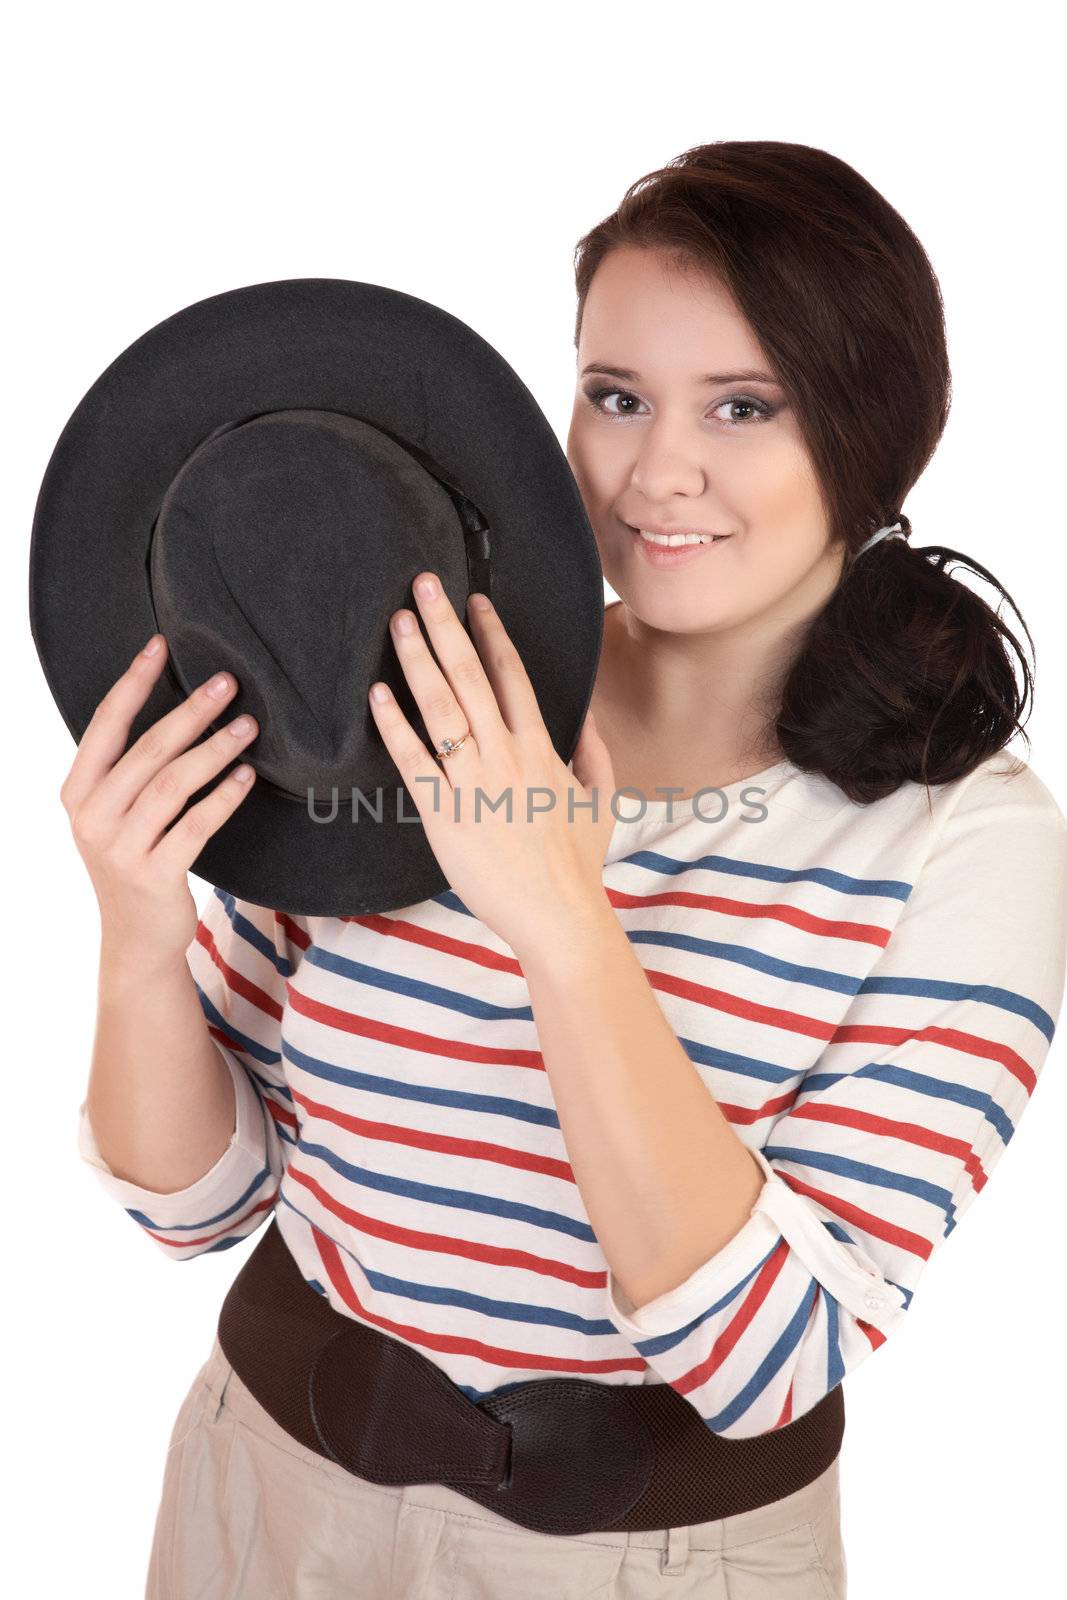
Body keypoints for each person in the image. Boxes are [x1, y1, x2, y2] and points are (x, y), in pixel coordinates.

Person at [69, 142, 1066, 1600]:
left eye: (744, 406)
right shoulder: (439, 686)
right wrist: (138, 935)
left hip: (652, 1560)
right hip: (259, 1490)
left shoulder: (971, 844)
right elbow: (194, 1209)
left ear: (872, 430)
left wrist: (563, 925)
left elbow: (761, 1357)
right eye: (616, 398)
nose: (658, 471)